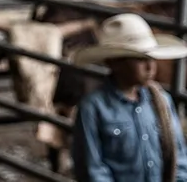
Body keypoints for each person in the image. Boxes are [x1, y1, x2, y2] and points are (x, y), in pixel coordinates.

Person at [71, 13, 187, 182]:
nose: (150, 67)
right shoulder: (93, 108)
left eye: (150, 58)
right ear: (114, 63)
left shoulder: (162, 101)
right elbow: (93, 169)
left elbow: (179, 156)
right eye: (139, 59)